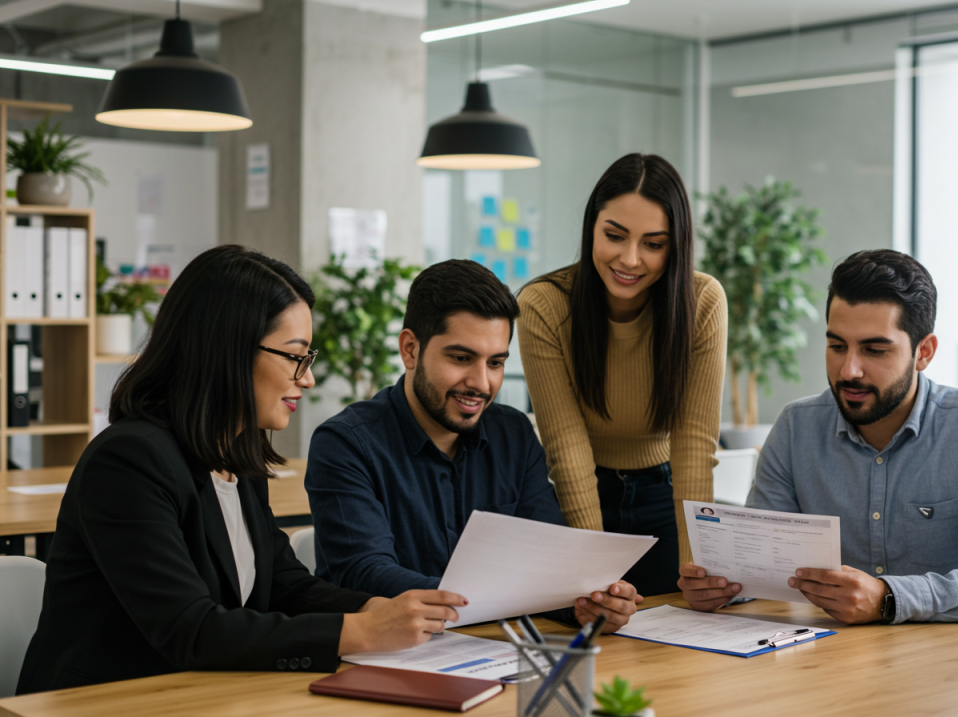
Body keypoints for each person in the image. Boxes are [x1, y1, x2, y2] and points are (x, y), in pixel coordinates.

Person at [17, 246, 467, 695]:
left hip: (202, 696)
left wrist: (378, 608)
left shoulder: (237, 454)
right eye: (295, 356)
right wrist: (362, 631)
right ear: (227, 351)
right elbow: (191, 629)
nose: (306, 378)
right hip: (105, 703)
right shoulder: (129, 461)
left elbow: (284, 585)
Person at [679, 249, 958, 624]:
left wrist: (890, 598)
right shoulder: (796, 429)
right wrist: (724, 587)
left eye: (874, 350)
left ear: (923, 352)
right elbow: (759, 567)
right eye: (837, 346)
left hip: (949, 664)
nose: (849, 370)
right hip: (827, 662)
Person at [305, 259, 640, 632]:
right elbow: (366, 573)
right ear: (410, 349)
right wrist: (510, 596)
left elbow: (549, 567)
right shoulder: (345, 443)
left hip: (500, 652)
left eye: (495, 362)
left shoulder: (513, 434)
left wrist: (584, 605)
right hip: (388, 656)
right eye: (461, 358)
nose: (481, 383)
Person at [517, 153, 727, 597]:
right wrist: (594, 572)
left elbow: (694, 445)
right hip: (579, 498)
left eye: (653, 244)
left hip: (664, 497)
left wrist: (696, 568)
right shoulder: (544, 306)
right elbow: (566, 448)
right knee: (597, 627)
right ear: (592, 225)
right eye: (614, 236)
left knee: (679, 634)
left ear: (676, 245)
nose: (630, 259)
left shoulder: (702, 301)